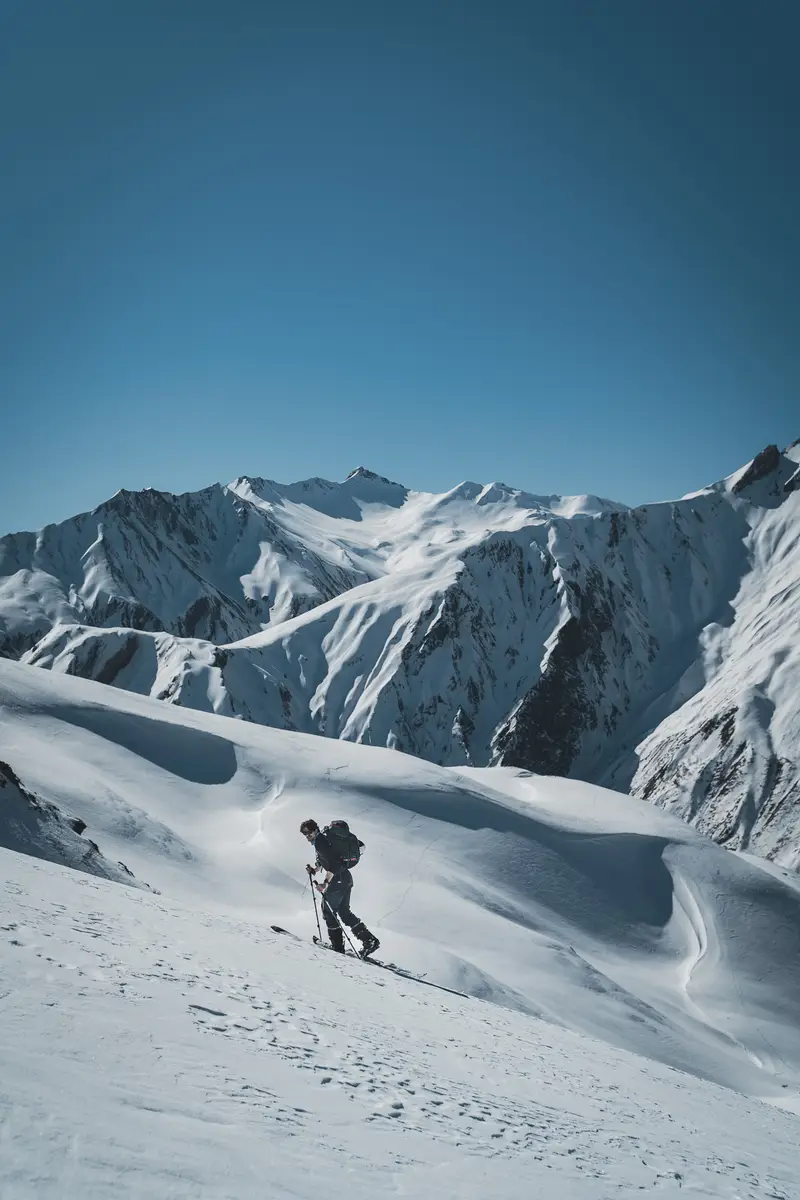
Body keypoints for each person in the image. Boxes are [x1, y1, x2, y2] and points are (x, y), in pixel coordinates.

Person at [300, 818, 380, 957]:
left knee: (328, 911)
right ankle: (369, 941)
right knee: (344, 912)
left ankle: (338, 948)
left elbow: (335, 864)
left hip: (338, 880)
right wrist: (315, 869)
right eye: (305, 834)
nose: (307, 836)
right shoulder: (322, 841)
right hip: (345, 879)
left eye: (309, 832)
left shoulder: (321, 842)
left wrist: (325, 882)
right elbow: (327, 860)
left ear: (316, 830)